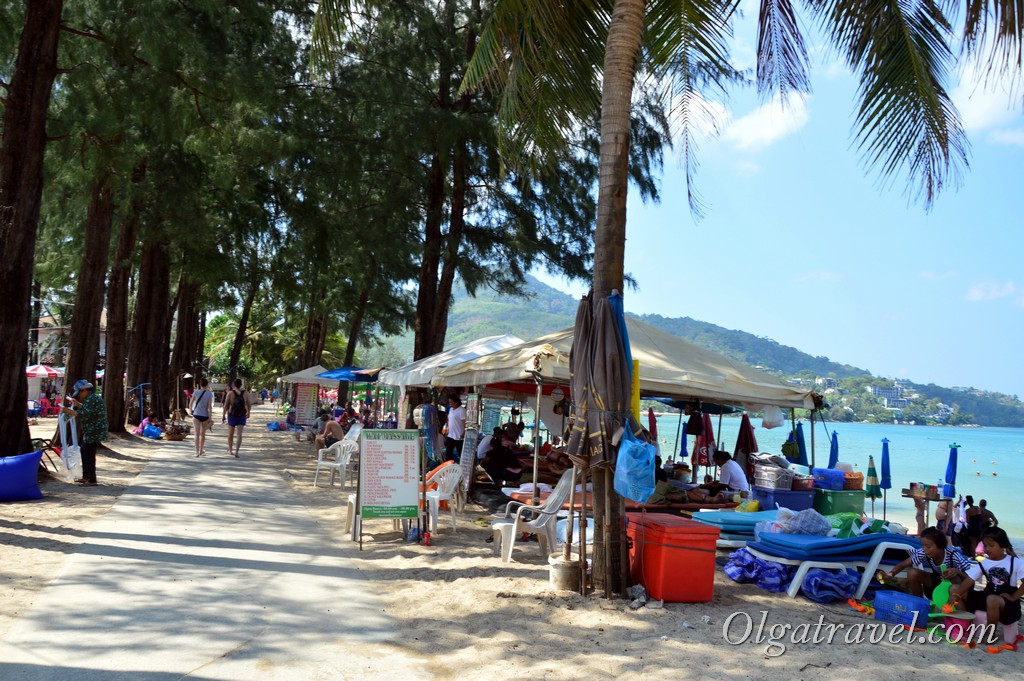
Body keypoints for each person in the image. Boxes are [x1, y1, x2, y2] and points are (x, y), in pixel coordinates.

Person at [959, 527, 1024, 653]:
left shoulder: (1015, 562)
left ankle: (990, 633)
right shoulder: (985, 563)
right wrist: (956, 595)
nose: (987, 549)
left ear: (1003, 545)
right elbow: (969, 580)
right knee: (956, 588)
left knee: (992, 599)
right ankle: (965, 627)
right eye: (985, 546)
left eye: (991, 545)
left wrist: (1014, 596)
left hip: (1007, 604)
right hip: (986, 597)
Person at [884, 527, 974, 599]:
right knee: (912, 572)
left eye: (928, 546)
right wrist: (891, 574)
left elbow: (972, 579)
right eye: (923, 546)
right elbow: (904, 564)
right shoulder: (924, 552)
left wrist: (957, 571)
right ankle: (919, 603)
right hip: (936, 584)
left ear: (940, 545)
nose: (925, 549)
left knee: (953, 575)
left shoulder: (953, 556)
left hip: (956, 589)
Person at [60, 379, 107, 486]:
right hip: (93, 429)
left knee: (88, 453)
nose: (79, 395)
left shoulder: (91, 399)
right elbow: (88, 410)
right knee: (84, 450)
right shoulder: (92, 398)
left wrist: (68, 411)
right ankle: (86, 476)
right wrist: (78, 404)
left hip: (94, 429)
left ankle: (92, 479)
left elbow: (85, 413)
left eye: (80, 392)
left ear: (85, 390)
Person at [222, 379, 250, 458]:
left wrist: (223, 415)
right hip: (242, 416)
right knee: (239, 434)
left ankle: (230, 450)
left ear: (234, 385)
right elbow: (248, 404)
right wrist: (248, 413)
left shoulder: (230, 393)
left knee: (230, 434)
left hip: (232, 415)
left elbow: (226, 405)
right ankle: (237, 451)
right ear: (241, 385)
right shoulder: (245, 393)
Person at [190, 378, 215, 457]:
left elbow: (190, 404)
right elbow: (210, 407)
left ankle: (197, 452)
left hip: (196, 415)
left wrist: (191, 412)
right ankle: (201, 450)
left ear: (200, 384)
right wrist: (210, 417)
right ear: (207, 385)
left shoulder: (196, 392)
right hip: (205, 415)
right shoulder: (209, 394)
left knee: (196, 434)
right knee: (203, 434)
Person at [443, 394, 466, 463]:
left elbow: (465, 422)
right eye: (450, 402)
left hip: (459, 435)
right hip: (451, 434)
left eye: (452, 402)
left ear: (457, 402)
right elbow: (449, 419)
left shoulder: (462, 410)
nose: (451, 404)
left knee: (460, 453)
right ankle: (448, 467)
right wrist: (447, 428)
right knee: (448, 453)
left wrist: (464, 432)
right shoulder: (451, 409)